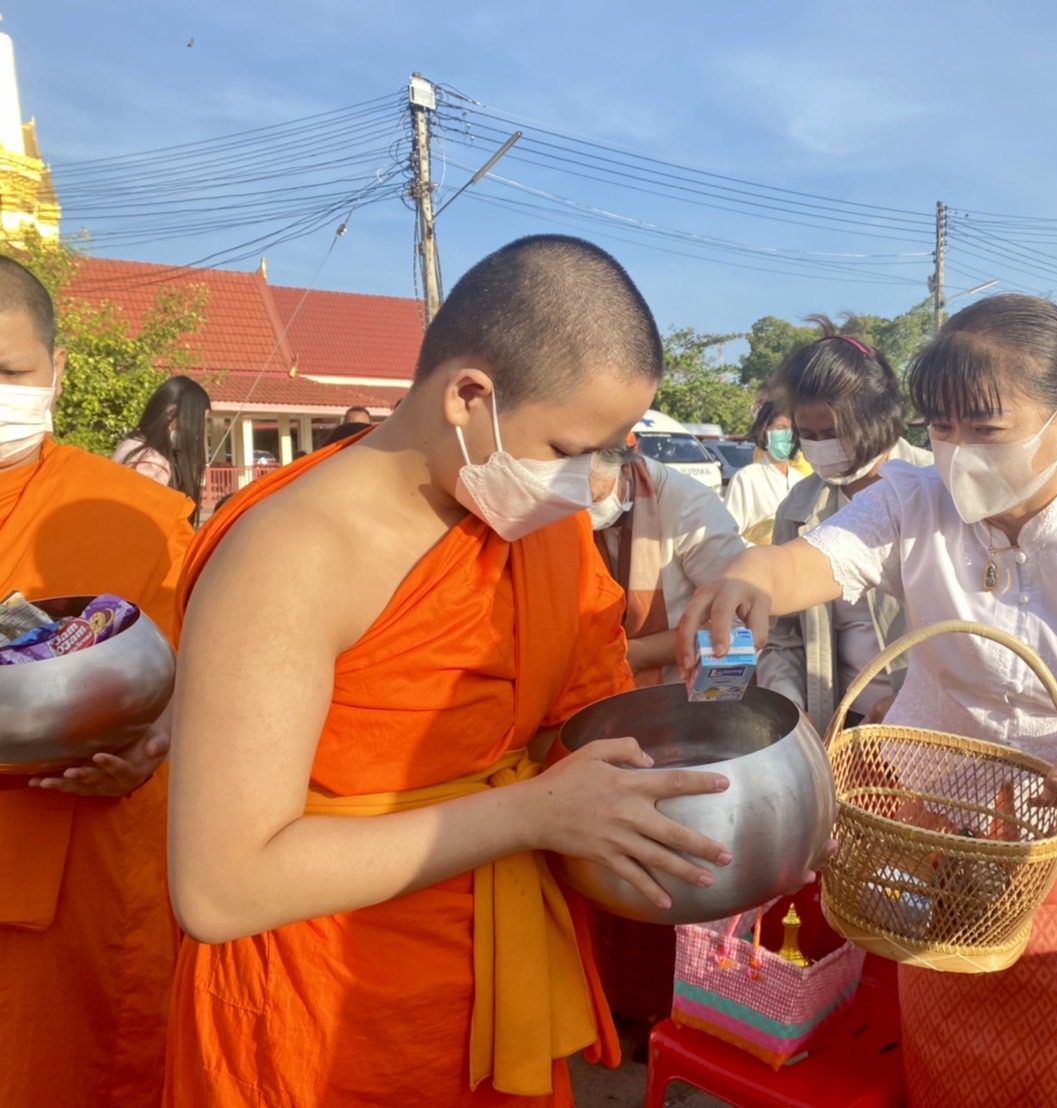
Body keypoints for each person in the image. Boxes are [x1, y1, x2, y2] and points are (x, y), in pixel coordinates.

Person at [164, 236, 737, 1107]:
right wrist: (533, 813)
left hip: (498, 989)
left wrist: (731, 800)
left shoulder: (534, 529)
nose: (584, 486)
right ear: (470, 395)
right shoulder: (293, 554)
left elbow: (583, 728)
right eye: (567, 446)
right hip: (324, 1016)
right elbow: (221, 886)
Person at [678, 294, 1057, 1108]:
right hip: (934, 832)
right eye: (941, 427)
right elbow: (810, 563)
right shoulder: (912, 504)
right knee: (953, 1057)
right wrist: (746, 576)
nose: (956, 452)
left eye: (984, 430)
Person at [0, 257, 195, 1107]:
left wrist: (156, 745)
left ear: (58, 370)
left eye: (7, 373)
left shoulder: (137, 520)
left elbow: (195, 681)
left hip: (81, 866)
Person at [758, 322, 932, 729]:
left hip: (931, 723)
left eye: (834, 433)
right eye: (809, 434)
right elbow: (784, 637)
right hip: (841, 720)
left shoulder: (937, 489)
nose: (822, 446)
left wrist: (918, 697)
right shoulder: (798, 508)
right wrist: (790, 705)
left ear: (880, 420)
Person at [587, 434, 746, 685]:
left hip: (679, 691)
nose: (581, 510)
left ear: (623, 469)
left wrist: (640, 654)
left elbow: (737, 622)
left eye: (592, 497)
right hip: (596, 685)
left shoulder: (689, 507)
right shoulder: (561, 513)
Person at [113, 375, 213, 524]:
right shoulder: (151, 461)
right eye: (196, 424)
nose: (198, 434)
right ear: (171, 412)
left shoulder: (131, 444)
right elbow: (144, 525)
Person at [725, 401, 806, 543]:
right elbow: (728, 535)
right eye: (781, 428)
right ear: (764, 431)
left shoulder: (800, 480)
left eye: (794, 429)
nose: (788, 434)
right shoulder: (746, 478)